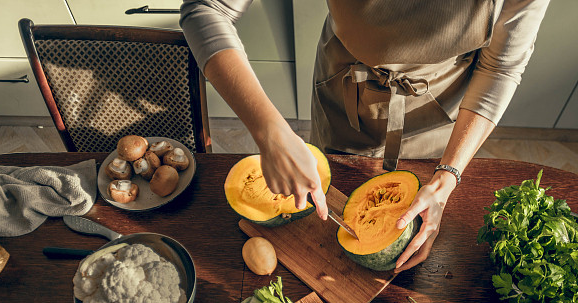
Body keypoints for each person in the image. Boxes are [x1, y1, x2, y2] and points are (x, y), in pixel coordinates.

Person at [181, 0, 549, 271]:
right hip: (346, 91)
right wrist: (270, 132)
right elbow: (205, 8)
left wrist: (446, 178)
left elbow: (501, 66)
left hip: (440, 109)